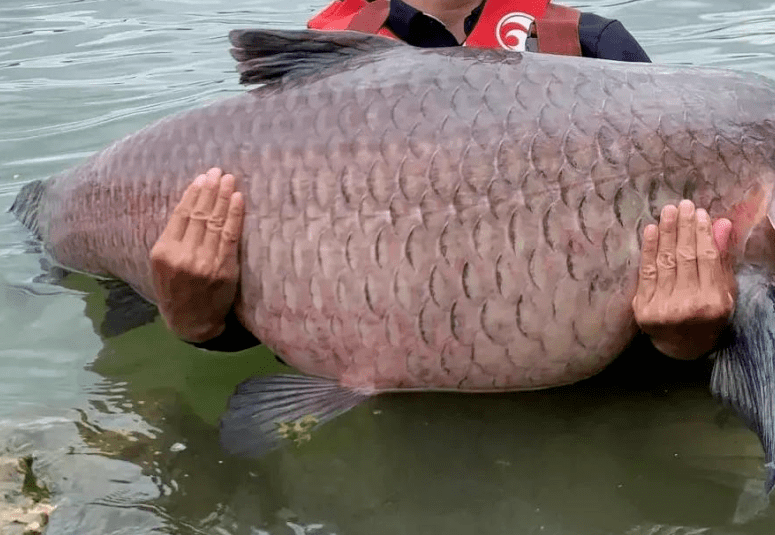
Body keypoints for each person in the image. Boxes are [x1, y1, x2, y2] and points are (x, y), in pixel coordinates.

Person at [149, 0, 737, 362]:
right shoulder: (311, 81)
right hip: (363, 443)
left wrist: (690, 342)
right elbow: (258, 319)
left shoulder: (597, 51)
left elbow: (693, 287)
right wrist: (202, 325)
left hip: (586, 425)